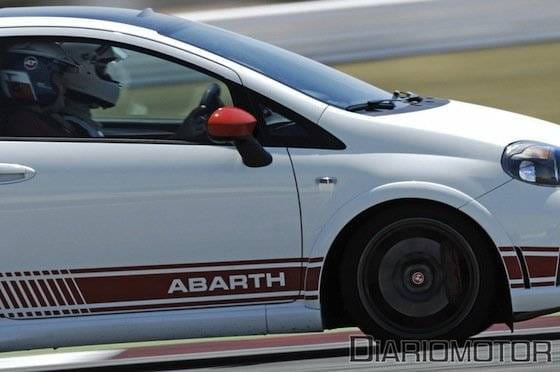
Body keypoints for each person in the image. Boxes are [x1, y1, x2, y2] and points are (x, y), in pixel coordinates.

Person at [0, 41, 123, 138]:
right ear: (38, 79)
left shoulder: (42, 121)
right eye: (59, 75)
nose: (65, 82)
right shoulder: (26, 126)